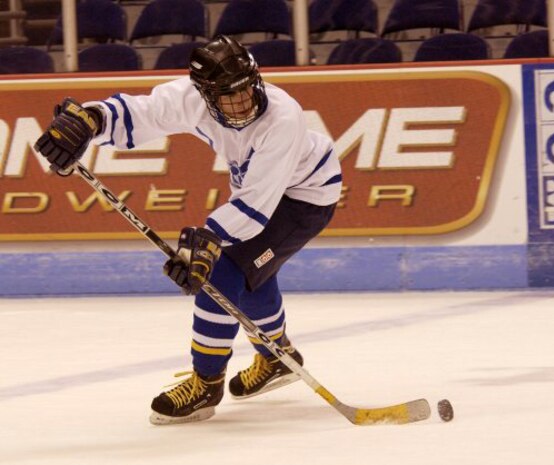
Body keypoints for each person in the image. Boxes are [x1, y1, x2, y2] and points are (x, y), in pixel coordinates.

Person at [34, 35, 342, 425]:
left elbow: (255, 206)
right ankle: (276, 357)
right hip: (265, 198)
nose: (243, 101)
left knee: (224, 270)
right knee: (251, 273)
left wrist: (207, 242)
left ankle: (206, 383)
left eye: (247, 89)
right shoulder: (190, 98)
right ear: (206, 95)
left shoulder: (283, 117)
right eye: (229, 96)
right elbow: (139, 113)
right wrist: (93, 120)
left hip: (304, 198)